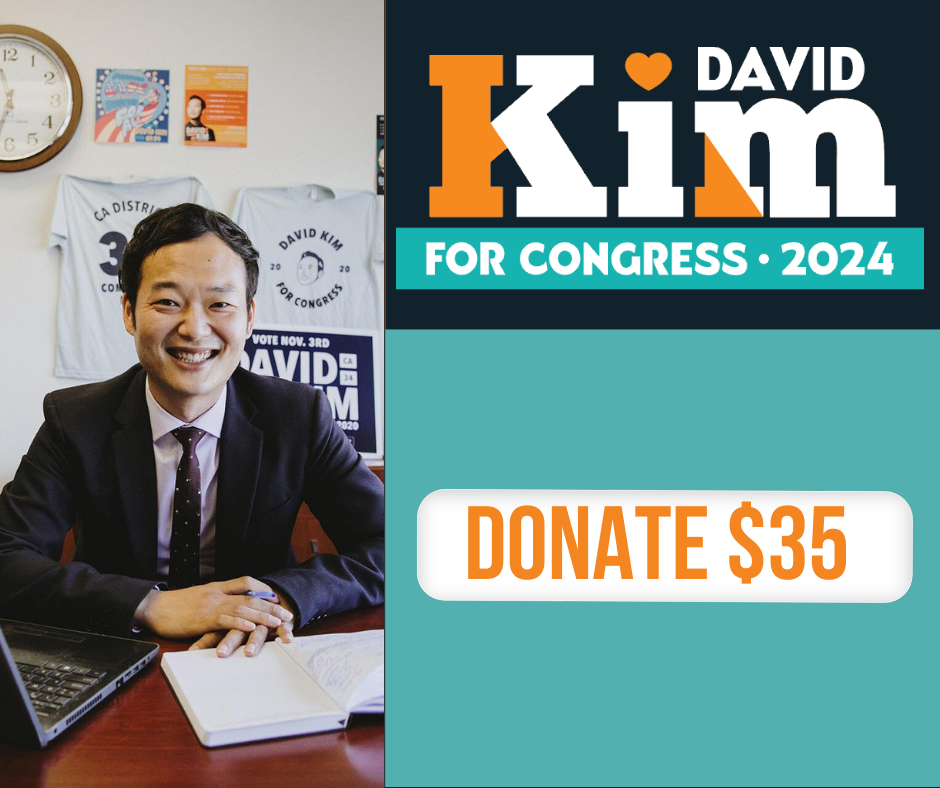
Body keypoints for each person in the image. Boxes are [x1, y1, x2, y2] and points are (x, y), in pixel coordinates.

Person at [0, 204, 384, 658]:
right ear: (129, 311)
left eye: (220, 304)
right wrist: (150, 604)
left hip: (257, 652)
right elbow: (8, 557)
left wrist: (279, 599)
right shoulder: (76, 420)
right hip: (119, 650)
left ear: (249, 317)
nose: (195, 328)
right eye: (167, 302)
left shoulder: (299, 416)